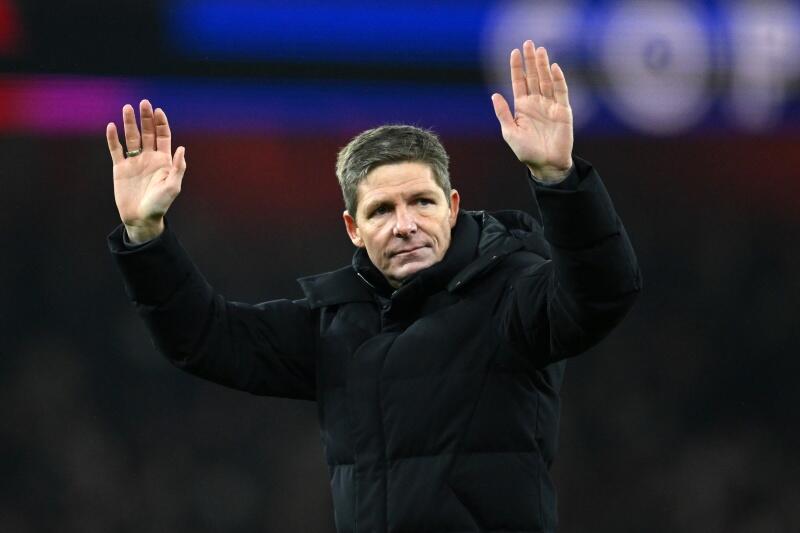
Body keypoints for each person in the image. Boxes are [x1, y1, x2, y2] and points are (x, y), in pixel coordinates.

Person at [106, 41, 641, 533]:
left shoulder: (511, 293)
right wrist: (146, 235)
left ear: (452, 208)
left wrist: (558, 178)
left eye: (422, 202)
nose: (405, 225)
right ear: (353, 228)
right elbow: (205, 338)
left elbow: (602, 292)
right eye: (382, 210)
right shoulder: (336, 324)